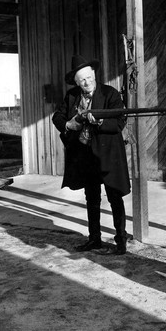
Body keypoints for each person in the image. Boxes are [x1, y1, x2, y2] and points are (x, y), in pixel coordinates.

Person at [52, 55, 131, 255]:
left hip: (108, 154)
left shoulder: (110, 94)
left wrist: (100, 122)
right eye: (82, 80)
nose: (87, 83)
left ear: (94, 74)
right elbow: (57, 117)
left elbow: (120, 122)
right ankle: (94, 239)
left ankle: (121, 241)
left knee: (114, 196)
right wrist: (69, 124)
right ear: (77, 82)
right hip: (85, 156)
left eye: (89, 77)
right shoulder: (72, 96)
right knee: (92, 198)